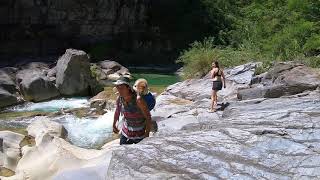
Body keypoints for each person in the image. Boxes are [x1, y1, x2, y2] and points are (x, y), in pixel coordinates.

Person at [112, 76, 152, 145]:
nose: (119, 90)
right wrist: (114, 124)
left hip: (139, 135)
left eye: (122, 88)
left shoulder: (138, 100)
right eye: (118, 87)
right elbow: (117, 111)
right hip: (125, 133)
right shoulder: (120, 98)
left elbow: (148, 117)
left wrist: (147, 134)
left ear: (128, 88)